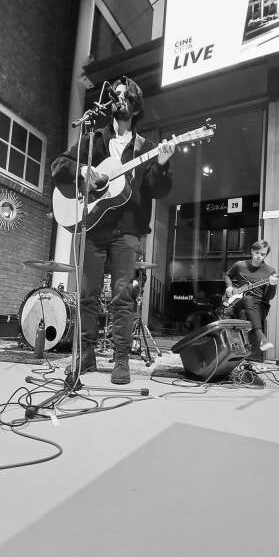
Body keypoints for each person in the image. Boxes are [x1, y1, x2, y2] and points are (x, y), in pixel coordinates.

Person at [50, 76, 175, 384]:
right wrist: (83, 170)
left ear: (135, 107)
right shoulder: (93, 139)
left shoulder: (145, 147)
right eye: (116, 95)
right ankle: (86, 354)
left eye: (125, 96)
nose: (119, 100)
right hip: (94, 225)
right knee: (88, 295)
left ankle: (121, 358)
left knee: (122, 297)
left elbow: (156, 190)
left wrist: (161, 165)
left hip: (128, 231)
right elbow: (58, 166)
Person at [224, 240, 279, 358]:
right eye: (257, 252)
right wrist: (229, 286)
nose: (259, 256)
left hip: (259, 305)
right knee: (247, 299)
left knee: (246, 308)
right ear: (252, 251)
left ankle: (243, 355)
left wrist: (273, 285)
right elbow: (228, 275)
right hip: (238, 301)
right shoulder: (240, 265)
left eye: (262, 254)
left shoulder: (270, 271)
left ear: (266, 255)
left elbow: (268, 297)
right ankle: (262, 338)